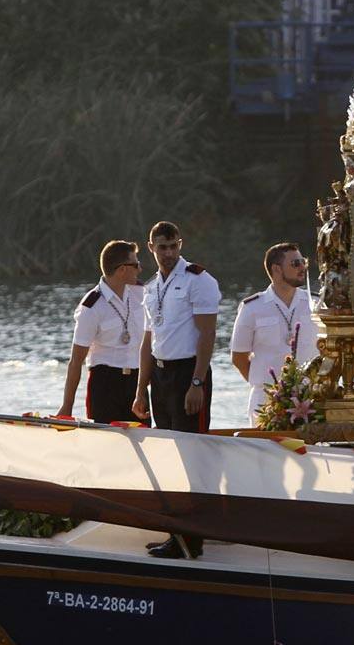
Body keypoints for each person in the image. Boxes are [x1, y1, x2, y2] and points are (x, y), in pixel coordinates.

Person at [132, 220, 220, 559]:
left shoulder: (199, 280)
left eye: (173, 246)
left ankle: (191, 540)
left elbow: (208, 335)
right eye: (161, 247)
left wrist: (197, 382)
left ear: (180, 245)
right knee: (169, 457)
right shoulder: (152, 286)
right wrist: (141, 390)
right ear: (151, 247)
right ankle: (176, 535)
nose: (168, 253)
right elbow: (148, 340)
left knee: (190, 459)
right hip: (161, 376)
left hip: (188, 373)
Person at [229, 242, 320, 426]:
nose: (302, 268)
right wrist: (267, 386)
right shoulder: (252, 308)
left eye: (303, 262)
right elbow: (239, 357)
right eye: (295, 264)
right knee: (265, 454)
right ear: (276, 269)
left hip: (311, 399)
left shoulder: (315, 303)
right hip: (266, 402)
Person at [57, 240, 147, 424]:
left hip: (137, 385)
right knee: (106, 447)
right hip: (105, 385)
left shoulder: (141, 293)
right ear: (122, 269)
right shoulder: (91, 306)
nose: (140, 269)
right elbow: (76, 361)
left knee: (146, 444)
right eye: (136, 264)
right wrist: (67, 406)